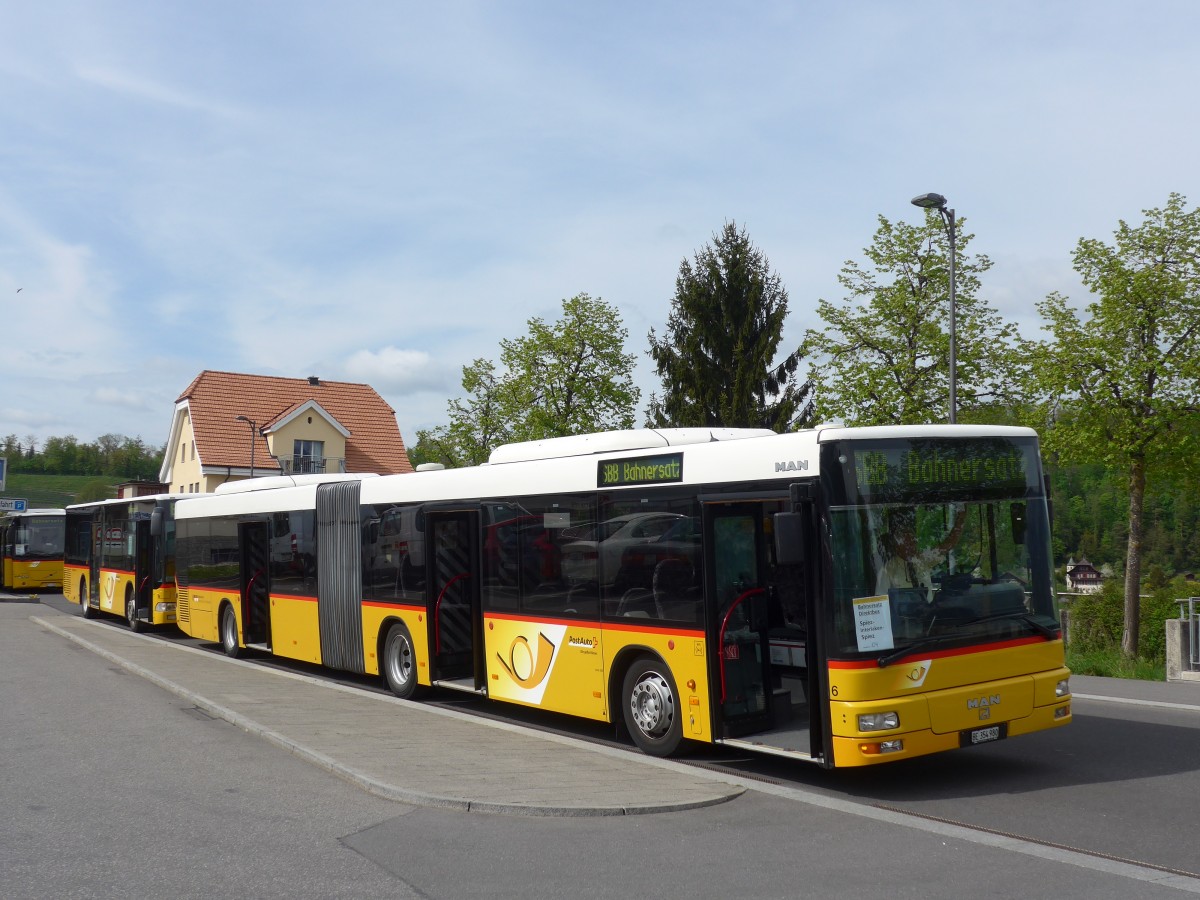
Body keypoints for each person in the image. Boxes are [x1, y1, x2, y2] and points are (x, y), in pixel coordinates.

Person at [874, 506, 967, 600]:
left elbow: (949, 544)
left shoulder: (922, 559)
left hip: (931, 613)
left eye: (914, 541)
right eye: (908, 542)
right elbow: (880, 605)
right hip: (903, 615)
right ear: (897, 546)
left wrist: (961, 515)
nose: (913, 545)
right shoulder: (887, 571)